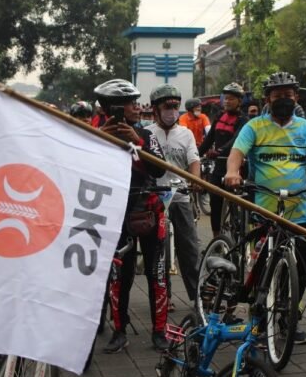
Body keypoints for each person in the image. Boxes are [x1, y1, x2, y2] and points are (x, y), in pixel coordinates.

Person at [224, 71, 306, 344]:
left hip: (298, 212)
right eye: (278, 96)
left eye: (288, 96)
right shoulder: (253, 127)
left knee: (302, 268)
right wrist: (233, 172)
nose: (283, 101)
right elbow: (237, 154)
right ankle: (257, 315)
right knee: (263, 266)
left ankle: (287, 317)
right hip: (264, 210)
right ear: (267, 99)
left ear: (296, 98)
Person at [95, 78, 170, 353]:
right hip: (115, 214)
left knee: (157, 273)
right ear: (113, 107)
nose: (137, 108)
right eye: (130, 103)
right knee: (119, 276)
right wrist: (102, 138)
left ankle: (159, 331)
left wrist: (137, 142)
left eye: (137, 102)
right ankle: (119, 331)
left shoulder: (147, 135)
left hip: (149, 211)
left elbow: (160, 171)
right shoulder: (94, 135)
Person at [146, 84, 201, 306]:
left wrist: (196, 181)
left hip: (181, 196)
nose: (172, 110)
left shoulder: (185, 134)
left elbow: (194, 161)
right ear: (156, 109)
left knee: (189, 249)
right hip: (155, 198)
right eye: (167, 106)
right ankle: (162, 297)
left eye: (175, 106)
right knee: (157, 251)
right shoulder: (147, 133)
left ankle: (196, 297)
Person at [198, 82, 248, 237]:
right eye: (225, 98)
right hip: (219, 165)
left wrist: (219, 151)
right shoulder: (220, 116)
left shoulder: (243, 120)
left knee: (239, 200)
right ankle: (216, 237)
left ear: (239, 101)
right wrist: (196, 154)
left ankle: (239, 228)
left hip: (236, 166)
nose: (227, 101)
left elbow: (236, 140)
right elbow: (209, 139)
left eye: (231, 99)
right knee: (215, 200)